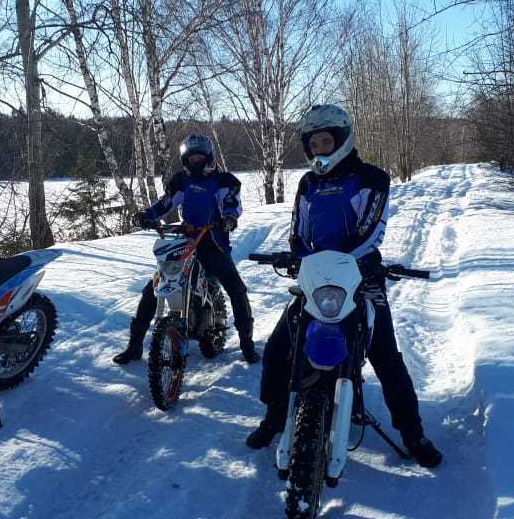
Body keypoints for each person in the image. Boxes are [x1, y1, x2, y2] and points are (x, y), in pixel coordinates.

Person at [244, 104, 443, 468]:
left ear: (342, 139)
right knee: (279, 349)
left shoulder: (372, 178)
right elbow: (298, 230)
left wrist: (346, 260)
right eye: (313, 143)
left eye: (325, 140)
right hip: (317, 277)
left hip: (362, 274)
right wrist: (298, 256)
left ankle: (413, 434)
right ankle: (274, 418)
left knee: (385, 355)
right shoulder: (307, 183)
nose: (320, 147)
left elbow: (371, 228)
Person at [113, 134, 261, 365]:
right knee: (154, 288)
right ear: (185, 160)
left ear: (209, 157)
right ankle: (134, 347)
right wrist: (147, 216)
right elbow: (166, 203)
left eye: (200, 157)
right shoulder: (181, 180)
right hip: (187, 240)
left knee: (236, 288)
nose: (196, 162)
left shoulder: (225, 181)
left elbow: (231, 204)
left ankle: (246, 344)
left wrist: (229, 219)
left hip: (213, 241)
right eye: (191, 158)